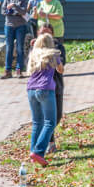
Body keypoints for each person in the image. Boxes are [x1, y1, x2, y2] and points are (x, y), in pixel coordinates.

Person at [24, 33, 64, 165]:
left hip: (31, 89)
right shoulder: (54, 54)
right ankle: (38, 151)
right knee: (50, 122)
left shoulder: (33, 54)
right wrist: (58, 64)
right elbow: (61, 70)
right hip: (46, 89)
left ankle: (32, 151)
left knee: (37, 122)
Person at [32, 0, 67, 122]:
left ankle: (52, 69)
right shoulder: (40, 3)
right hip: (41, 36)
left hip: (56, 33)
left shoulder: (56, 3)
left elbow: (59, 16)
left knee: (55, 55)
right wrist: (35, 13)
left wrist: (45, 15)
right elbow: (35, 17)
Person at [0, 0, 34, 80]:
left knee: (20, 48)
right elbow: (3, 11)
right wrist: (12, 11)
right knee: (9, 48)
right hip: (9, 26)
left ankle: (19, 71)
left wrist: (14, 6)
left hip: (20, 26)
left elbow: (23, 11)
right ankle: (8, 71)